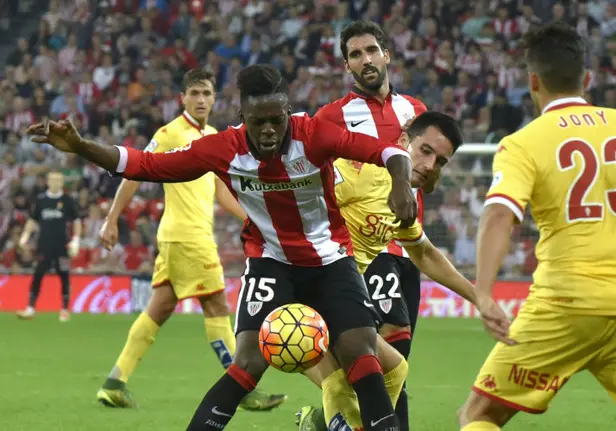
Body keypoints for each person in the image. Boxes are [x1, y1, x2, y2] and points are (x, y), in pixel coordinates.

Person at [27, 63, 418, 431]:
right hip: (271, 262)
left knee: (360, 352)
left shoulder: (314, 134)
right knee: (248, 360)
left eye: (276, 120)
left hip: (331, 260)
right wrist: (81, 147)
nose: (268, 130)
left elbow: (389, 152)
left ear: (288, 113)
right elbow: (145, 164)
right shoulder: (224, 148)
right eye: (258, 121)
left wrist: (401, 184)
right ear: (242, 116)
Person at [458, 23, 616, 431]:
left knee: (479, 414)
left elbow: (498, 215)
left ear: (532, 81)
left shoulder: (523, 143)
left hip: (563, 306)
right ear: (588, 79)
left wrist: (485, 293)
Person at [94, 69, 285, 411]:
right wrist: (111, 218)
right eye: (194, 93)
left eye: (206, 93)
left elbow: (222, 194)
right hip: (188, 237)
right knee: (217, 308)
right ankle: (244, 389)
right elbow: (134, 173)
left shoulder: (213, 136)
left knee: (159, 309)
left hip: (179, 239)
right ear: (183, 97)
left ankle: (114, 382)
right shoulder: (169, 133)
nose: (200, 99)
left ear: (214, 98)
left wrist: (255, 219)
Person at [297, 111, 484, 431]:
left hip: (341, 303)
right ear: (402, 142)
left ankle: (321, 422)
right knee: (345, 381)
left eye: (440, 161)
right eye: (425, 151)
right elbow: (301, 199)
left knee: (395, 368)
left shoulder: (401, 198)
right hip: (307, 295)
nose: (429, 166)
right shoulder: (362, 171)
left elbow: (424, 254)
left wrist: (480, 298)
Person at [297, 20, 438, 431]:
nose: (366, 60)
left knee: (396, 362)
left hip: (409, 247)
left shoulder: (415, 110)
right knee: (376, 361)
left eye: (371, 50)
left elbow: (431, 170)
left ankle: (326, 421)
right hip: (366, 251)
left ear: (387, 54)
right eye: (356, 55)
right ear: (347, 66)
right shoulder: (333, 116)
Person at [16, 170, 81, 322]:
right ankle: (30, 308)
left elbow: (76, 220)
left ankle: (65, 310)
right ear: (48, 182)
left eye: (59, 180)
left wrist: (76, 239)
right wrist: (25, 236)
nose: (56, 183)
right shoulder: (40, 200)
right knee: (38, 274)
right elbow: (32, 220)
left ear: (62, 182)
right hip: (44, 244)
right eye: (53, 180)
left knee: (64, 275)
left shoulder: (68, 200)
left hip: (62, 245)